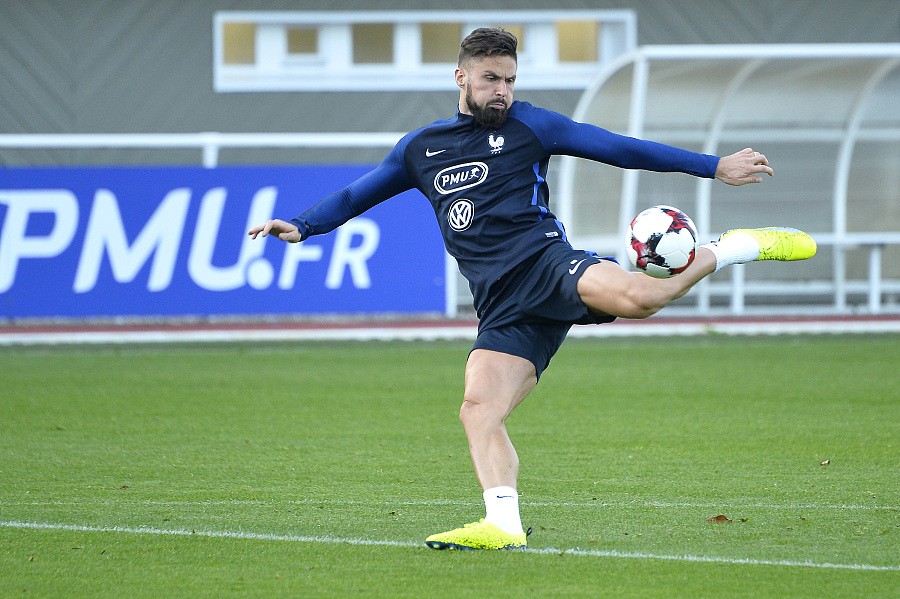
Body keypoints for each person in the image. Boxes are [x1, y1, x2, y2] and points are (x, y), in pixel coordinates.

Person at [249, 27, 816, 551]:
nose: (502, 91)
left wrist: (713, 166)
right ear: (461, 77)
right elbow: (357, 195)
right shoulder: (421, 149)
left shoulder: (531, 126)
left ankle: (734, 246)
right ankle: (503, 524)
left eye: (510, 79)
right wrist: (302, 225)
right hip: (500, 302)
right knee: (478, 410)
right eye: (491, 79)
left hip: (547, 264)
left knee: (642, 298)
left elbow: (615, 146)